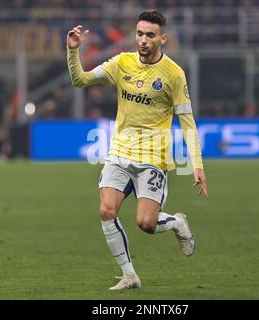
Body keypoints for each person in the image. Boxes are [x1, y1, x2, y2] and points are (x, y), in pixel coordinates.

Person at [66, 10, 208, 290]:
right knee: (106, 211)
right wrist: (73, 52)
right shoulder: (122, 62)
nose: (143, 40)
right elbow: (80, 80)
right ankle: (130, 275)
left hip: (153, 158)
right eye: (140, 34)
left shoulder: (174, 75)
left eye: (150, 35)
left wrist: (198, 165)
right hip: (119, 153)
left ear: (162, 39)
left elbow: (187, 122)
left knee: (146, 223)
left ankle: (178, 222)